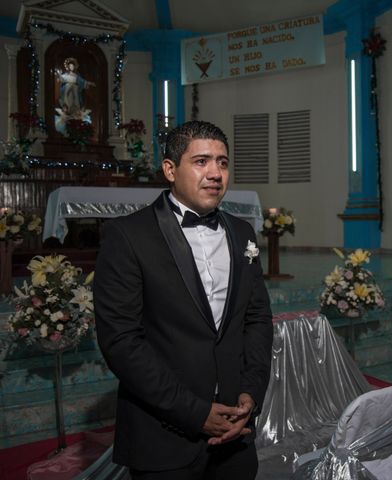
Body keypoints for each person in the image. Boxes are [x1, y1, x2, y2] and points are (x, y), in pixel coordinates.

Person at [94, 121, 273, 479]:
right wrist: (194, 412)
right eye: (201, 161)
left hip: (235, 433)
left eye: (222, 162)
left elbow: (256, 319)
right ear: (170, 170)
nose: (215, 173)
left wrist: (250, 395)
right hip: (164, 436)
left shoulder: (242, 232)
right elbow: (121, 341)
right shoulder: (128, 236)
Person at [54, 57, 95, 133]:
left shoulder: (76, 76)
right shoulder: (65, 75)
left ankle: (75, 111)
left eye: (73, 66)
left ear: (74, 67)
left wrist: (90, 83)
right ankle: (67, 109)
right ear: (68, 67)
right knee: (70, 86)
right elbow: (60, 79)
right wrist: (59, 77)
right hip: (67, 93)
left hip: (75, 94)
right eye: (70, 66)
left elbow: (83, 82)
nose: (71, 67)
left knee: (74, 88)